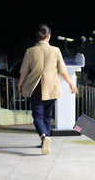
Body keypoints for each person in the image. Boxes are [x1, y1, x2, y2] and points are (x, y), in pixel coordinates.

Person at [17, 23, 78, 155]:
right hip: (52, 87)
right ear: (48, 36)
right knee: (48, 115)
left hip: (36, 87)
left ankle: (44, 137)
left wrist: (20, 85)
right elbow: (63, 71)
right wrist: (71, 84)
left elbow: (24, 72)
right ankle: (46, 138)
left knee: (37, 115)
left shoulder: (30, 51)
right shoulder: (56, 50)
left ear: (37, 36)